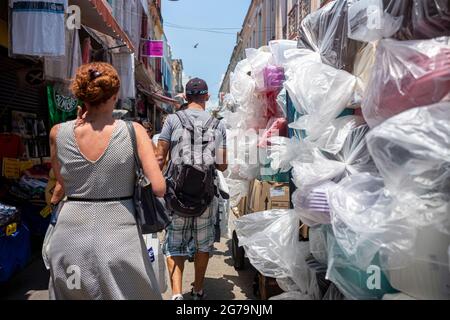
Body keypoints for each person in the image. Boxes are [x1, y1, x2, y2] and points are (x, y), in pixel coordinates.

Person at [48, 62, 166, 300]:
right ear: (115, 95)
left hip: (69, 235)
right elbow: (159, 187)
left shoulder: (58, 132)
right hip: (119, 236)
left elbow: (62, 182)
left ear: (82, 95)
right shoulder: (134, 131)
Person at [157, 78, 227, 300]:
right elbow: (223, 165)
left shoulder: (172, 120)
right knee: (202, 244)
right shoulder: (218, 125)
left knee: (174, 244)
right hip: (205, 195)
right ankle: (197, 290)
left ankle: (177, 294)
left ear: (186, 97)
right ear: (207, 97)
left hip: (175, 194)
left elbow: (159, 157)